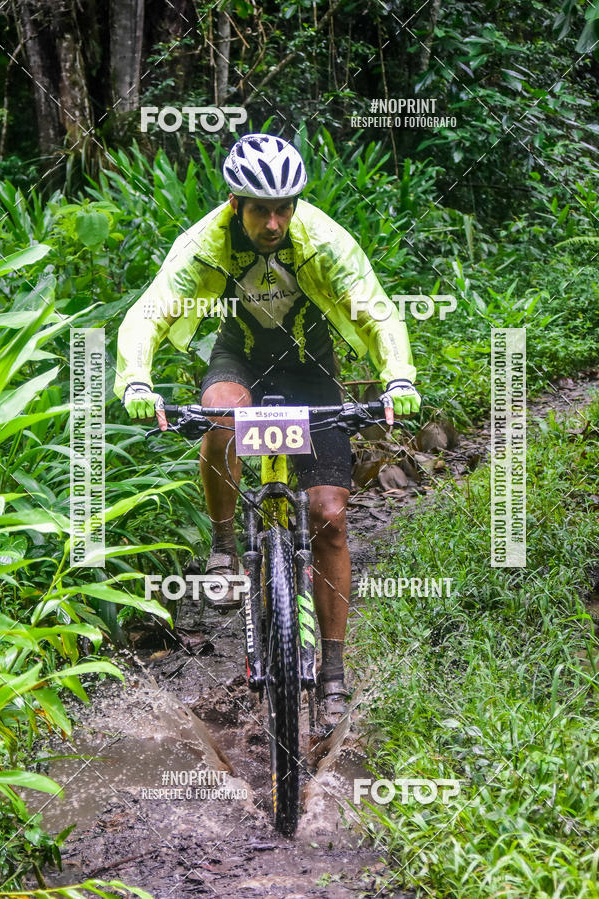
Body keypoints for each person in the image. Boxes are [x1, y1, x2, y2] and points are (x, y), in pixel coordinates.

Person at [114, 133, 420, 733]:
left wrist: (399, 377)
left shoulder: (326, 241)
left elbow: (377, 311)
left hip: (311, 367)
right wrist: (137, 382)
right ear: (236, 204)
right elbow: (150, 311)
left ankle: (333, 672)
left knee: (329, 516)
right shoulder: (203, 243)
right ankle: (225, 544)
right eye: (261, 210)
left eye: (284, 209)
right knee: (221, 416)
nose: (274, 223)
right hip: (241, 358)